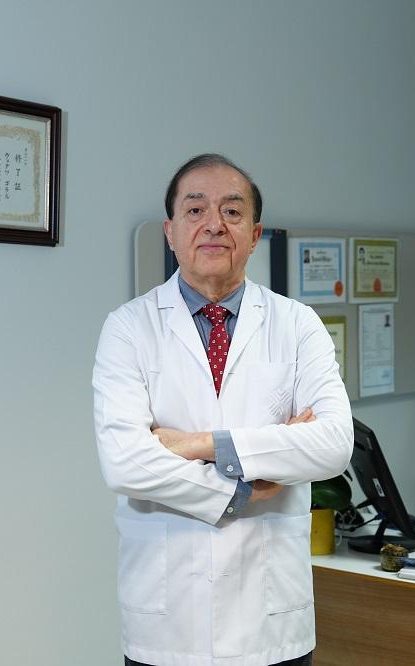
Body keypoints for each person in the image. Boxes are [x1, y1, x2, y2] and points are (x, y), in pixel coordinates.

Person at [93, 154, 353, 666]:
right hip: (168, 622)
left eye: (232, 212)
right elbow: (124, 461)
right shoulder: (128, 328)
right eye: (195, 210)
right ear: (170, 232)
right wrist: (243, 488)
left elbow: (333, 445)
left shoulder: (297, 325)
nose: (213, 224)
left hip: (271, 622)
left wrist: (198, 445)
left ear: (254, 236)